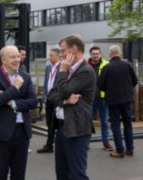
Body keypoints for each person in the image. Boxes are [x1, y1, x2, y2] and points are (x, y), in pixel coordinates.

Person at [0, 45, 38, 180]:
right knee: (1, 172)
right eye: (12, 57)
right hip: (2, 133)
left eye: (18, 56)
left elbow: (33, 102)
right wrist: (15, 87)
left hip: (22, 132)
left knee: (19, 173)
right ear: (3, 60)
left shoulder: (25, 76)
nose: (17, 59)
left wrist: (12, 102)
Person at [49, 35, 96, 180]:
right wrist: (64, 101)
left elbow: (62, 91)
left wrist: (63, 71)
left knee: (77, 174)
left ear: (73, 49)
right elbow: (51, 95)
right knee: (62, 173)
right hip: (62, 128)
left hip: (77, 129)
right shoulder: (68, 69)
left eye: (63, 51)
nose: (61, 54)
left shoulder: (85, 71)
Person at [99, 45, 138, 158]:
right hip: (127, 99)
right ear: (120, 53)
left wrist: (110, 89)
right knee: (128, 124)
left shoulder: (107, 67)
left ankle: (119, 150)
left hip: (113, 100)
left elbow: (100, 85)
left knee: (115, 125)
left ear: (110, 54)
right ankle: (130, 149)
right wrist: (127, 89)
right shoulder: (128, 65)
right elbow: (135, 80)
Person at [87, 46, 113, 151]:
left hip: (103, 98)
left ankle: (106, 142)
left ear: (100, 54)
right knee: (87, 121)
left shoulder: (106, 64)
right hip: (89, 98)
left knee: (104, 121)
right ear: (90, 54)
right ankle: (85, 142)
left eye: (97, 53)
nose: (96, 55)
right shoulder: (85, 65)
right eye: (93, 54)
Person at [37, 48, 61, 153]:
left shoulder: (62, 68)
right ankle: (49, 145)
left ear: (58, 56)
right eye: (49, 55)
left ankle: (60, 145)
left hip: (58, 100)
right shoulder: (48, 68)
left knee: (59, 123)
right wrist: (44, 97)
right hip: (49, 100)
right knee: (49, 123)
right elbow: (46, 83)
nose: (49, 57)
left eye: (51, 55)